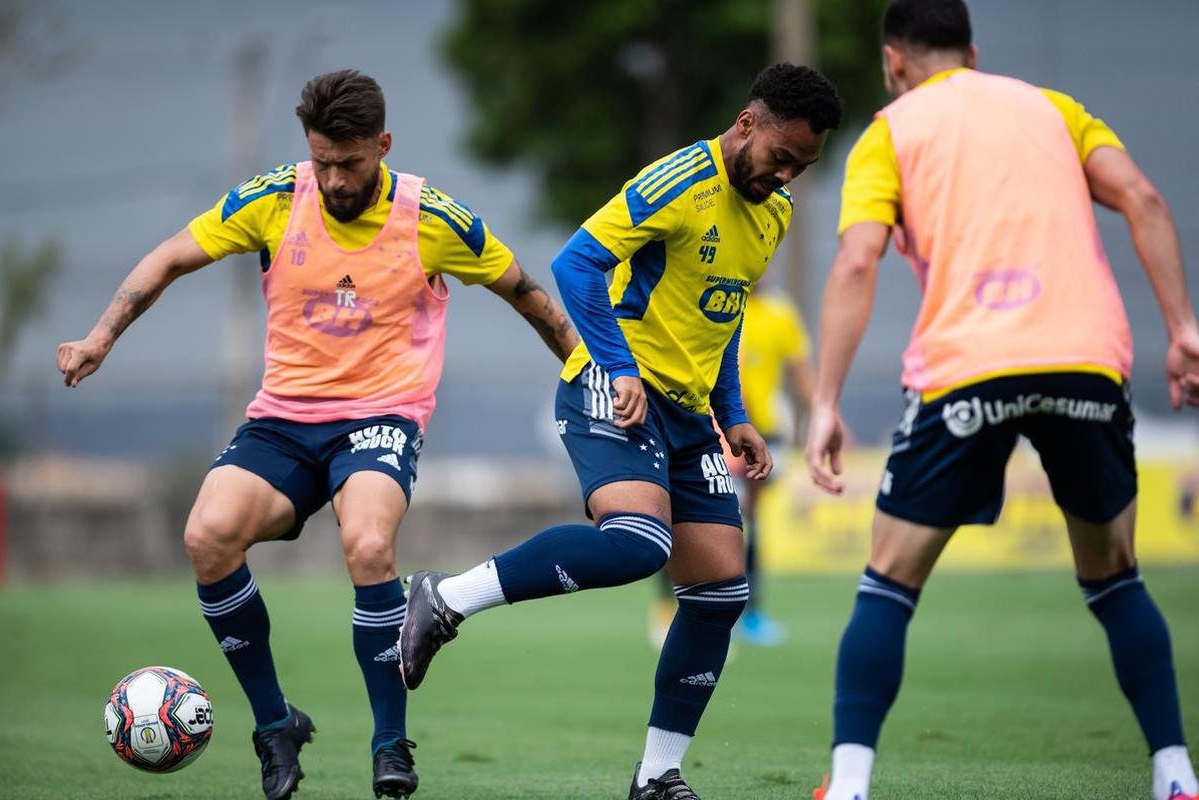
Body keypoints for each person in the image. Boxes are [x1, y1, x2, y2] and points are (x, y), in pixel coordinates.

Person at [55, 69, 577, 800]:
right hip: (283, 420)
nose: (332, 178)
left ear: (383, 145)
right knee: (207, 536)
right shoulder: (274, 199)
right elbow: (172, 254)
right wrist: (100, 336)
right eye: (322, 160)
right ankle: (275, 726)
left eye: (350, 162)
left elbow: (528, 295)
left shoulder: (434, 218)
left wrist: (586, 370)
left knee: (367, 544)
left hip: (381, 416)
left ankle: (390, 743)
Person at [398, 63, 842, 799]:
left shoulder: (774, 212)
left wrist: (734, 417)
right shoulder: (679, 179)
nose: (787, 173)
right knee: (639, 543)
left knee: (720, 592)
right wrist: (618, 363)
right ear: (746, 124)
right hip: (612, 387)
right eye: (780, 156)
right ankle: (444, 598)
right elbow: (575, 262)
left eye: (804, 164)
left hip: (689, 414)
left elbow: (721, 320)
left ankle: (656, 775)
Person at [804, 2, 1199, 799]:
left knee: (887, 579)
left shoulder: (891, 130)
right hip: (1082, 362)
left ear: (892, 62)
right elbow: (1146, 201)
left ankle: (847, 786)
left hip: (967, 370)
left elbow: (854, 263)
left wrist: (823, 401)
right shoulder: (1052, 109)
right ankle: (1175, 774)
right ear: (973, 53)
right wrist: (1182, 328)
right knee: (1114, 575)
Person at [649, 288, 815, 648]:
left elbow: (800, 370)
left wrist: (820, 414)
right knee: (691, 518)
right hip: (714, 428)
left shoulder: (780, 313)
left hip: (764, 432)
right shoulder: (708, 302)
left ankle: (750, 613)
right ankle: (668, 610)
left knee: (748, 523)